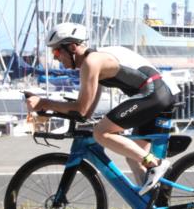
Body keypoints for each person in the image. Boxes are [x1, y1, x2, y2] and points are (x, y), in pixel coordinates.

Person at [26, 23, 179, 195]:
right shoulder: (94, 61)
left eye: (56, 51)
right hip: (156, 95)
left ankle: (156, 165)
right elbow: (86, 112)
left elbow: (81, 109)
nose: (55, 58)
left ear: (72, 47)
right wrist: (53, 109)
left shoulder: (92, 62)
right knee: (133, 157)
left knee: (101, 133)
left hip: (154, 94)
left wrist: (44, 103)